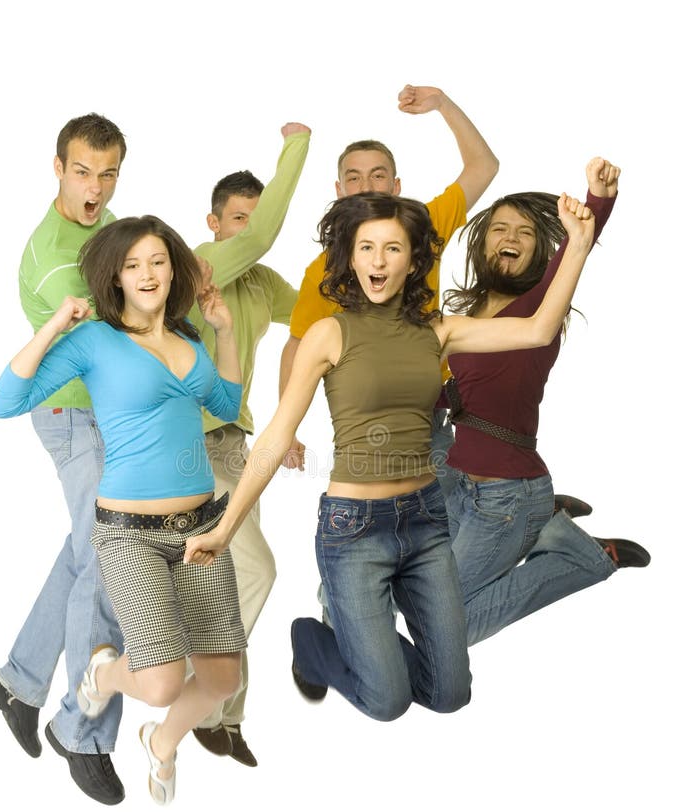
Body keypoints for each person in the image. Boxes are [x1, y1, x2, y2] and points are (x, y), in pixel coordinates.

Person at [185, 188, 598, 721]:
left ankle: (368, 645)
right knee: (388, 700)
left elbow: (537, 328)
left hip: (425, 524)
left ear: (413, 260)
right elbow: (270, 441)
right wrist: (222, 528)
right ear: (350, 257)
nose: (378, 261)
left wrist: (580, 246)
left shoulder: (437, 331)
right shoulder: (329, 335)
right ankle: (313, 641)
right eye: (366, 248)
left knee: (450, 695)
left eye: (393, 249)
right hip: (353, 529)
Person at [0, 215, 246, 805]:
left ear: (174, 268)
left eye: (158, 260)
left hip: (203, 528)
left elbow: (227, 402)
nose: (148, 273)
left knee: (221, 681)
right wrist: (56, 324)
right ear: (116, 277)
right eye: (133, 265)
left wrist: (224, 332)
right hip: (130, 534)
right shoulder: (95, 341)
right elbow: (4, 401)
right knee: (157, 683)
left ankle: (160, 744)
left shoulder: (189, 338)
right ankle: (102, 673)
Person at [439, 158, 650, 648]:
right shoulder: (459, 317)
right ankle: (545, 519)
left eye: (525, 232)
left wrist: (598, 198)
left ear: (538, 250)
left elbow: (577, 249)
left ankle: (580, 556)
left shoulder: (536, 306)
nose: (509, 236)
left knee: (449, 628)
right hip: (455, 478)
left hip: (506, 493)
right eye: (499, 228)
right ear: (482, 241)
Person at [0, 113, 129, 805]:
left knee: (85, 554)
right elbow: (109, 335)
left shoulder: (106, 226)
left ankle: (19, 682)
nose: (96, 187)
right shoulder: (53, 258)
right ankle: (85, 732)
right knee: (112, 563)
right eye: (82, 171)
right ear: (57, 167)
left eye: (108, 174)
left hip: (108, 415)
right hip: (76, 416)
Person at [278, 84, 499, 478]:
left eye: (378, 176)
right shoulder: (322, 269)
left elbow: (484, 167)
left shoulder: (425, 226)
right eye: (354, 178)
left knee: (458, 514)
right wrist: (286, 428)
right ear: (339, 190)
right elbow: (296, 345)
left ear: (396, 187)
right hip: (366, 424)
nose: (366, 187)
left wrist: (443, 105)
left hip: (434, 413)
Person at [187, 122, 311, 767]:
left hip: (240, 447)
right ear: (214, 224)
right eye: (240, 219)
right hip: (194, 449)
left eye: (254, 221)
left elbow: (320, 317)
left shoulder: (261, 284)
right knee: (258, 570)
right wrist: (298, 145)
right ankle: (202, 703)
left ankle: (227, 717)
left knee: (238, 577)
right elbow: (265, 235)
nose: (252, 233)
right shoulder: (196, 269)